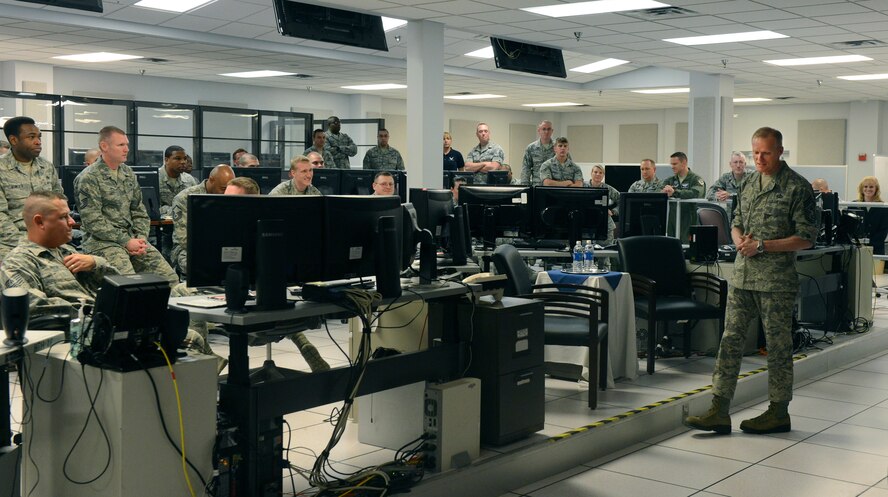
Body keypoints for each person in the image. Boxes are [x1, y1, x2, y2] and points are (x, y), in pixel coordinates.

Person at [685, 127, 817, 435]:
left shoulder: (797, 187)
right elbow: (737, 221)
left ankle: (778, 411)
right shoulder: (748, 183)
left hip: (776, 281)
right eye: (754, 152)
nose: (759, 158)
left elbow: (807, 238)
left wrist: (764, 246)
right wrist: (739, 239)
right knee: (730, 340)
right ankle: (719, 409)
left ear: (780, 151)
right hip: (743, 276)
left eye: (766, 153)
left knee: (778, 347)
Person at [74, 126, 178, 284]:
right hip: (102, 243)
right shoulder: (88, 178)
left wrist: (140, 240)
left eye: (127, 145)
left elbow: (139, 212)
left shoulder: (128, 173)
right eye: (121, 145)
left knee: (169, 279)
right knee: (129, 284)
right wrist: (126, 241)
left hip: (133, 240)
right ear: (104, 146)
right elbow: (93, 221)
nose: (126, 149)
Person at [0, 191, 119, 319]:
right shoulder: (18, 262)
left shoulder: (66, 251)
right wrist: (93, 313)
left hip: (105, 322)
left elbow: (119, 286)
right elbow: (33, 306)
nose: (72, 222)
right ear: (40, 222)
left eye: (70, 216)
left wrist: (96, 263)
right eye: (63, 217)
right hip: (77, 330)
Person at [0, 116, 63, 261]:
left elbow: (58, 203)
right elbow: (1, 217)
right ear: (14, 140)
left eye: (39, 137)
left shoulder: (46, 167)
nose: (38, 142)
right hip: (10, 242)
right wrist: (30, 243)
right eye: (31, 137)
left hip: (49, 237)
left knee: (77, 268)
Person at [170, 165, 237, 275]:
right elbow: (184, 239)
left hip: (222, 247)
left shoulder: (229, 196)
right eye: (223, 188)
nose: (226, 193)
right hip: (189, 249)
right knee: (204, 266)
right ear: (212, 180)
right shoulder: (184, 198)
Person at [662, 151, 705, 241]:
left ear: (684, 163)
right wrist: (665, 191)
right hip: (673, 220)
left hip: (689, 219)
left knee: (688, 249)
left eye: (675, 164)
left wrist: (675, 192)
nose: (672, 167)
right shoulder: (670, 180)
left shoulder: (696, 179)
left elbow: (695, 193)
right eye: (671, 164)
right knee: (672, 247)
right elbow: (660, 190)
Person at [158, 146, 198, 218]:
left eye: (185, 159)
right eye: (178, 158)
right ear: (166, 160)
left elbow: (195, 204)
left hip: (184, 225)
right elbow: (152, 209)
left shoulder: (189, 179)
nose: (183, 162)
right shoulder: (155, 178)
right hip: (161, 225)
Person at [588, 164, 620, 245]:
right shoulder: (582, 186)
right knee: (585, 254)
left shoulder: (608, 188)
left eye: (600, 173)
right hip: (586, 226)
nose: (598, 174)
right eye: (595, 172)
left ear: (603, 175)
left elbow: (622, 201)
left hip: (605, 226)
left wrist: (613, 211)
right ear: (591, 173)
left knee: (604, 254)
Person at [856, 176, 888, 256]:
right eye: (865, 186)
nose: (868, 189)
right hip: (857, 248)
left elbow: (883, 230)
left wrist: (869, 244)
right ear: (861, 189)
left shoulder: (883, 207)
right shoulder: (854, 205)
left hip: (876, 249)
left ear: (876, 189)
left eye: (871, 187)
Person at [521, 120, 555, 186]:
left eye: (549, 129)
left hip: (554, 186)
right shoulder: (531, 148)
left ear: (552, 131)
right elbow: (526, 169)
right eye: (544, 129)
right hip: (537, 185)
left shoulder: (558, 147)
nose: (546, 132)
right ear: (539, 131)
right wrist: (524, 187)